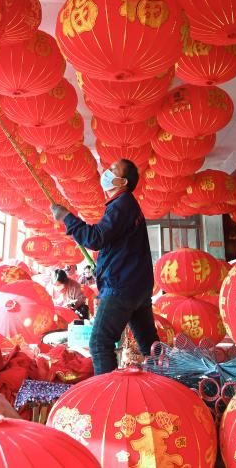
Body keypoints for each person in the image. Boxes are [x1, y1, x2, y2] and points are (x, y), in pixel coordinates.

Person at [51, 159, 159, 375]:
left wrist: (67, 218)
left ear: (122, 182)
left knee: (100, 343)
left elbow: (96, 238)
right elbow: (114, 246)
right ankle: (167, 380)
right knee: (150, 345)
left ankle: (108, 392)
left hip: (122, 287)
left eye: (112, 170)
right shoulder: (126, 205)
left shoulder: (122, 204)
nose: (106, 172)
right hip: (135, 287)